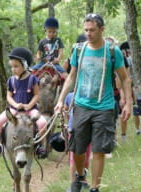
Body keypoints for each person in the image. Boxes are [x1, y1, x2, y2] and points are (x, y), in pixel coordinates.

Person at [54, 13, 131, 192]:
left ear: (102, 30)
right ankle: (80, 177)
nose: (88, 33)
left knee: (98, 150)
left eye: (92, 30)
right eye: (86, 30)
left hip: (104, 107)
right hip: (81, 105)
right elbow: (71, 76)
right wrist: (60, 100)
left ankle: (95, 188)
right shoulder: (79, 50)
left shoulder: (113, 51)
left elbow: (125, 79)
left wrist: (127, 103)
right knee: (78, 149)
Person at [0, 47, 47, 157]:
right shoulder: (11, 80)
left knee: (42, 123)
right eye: (11, 66)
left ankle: (40, 146)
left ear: (25, 65)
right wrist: (16, 104)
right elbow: (9, 96)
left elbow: (36, 95)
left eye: (16, 66)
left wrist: (29, 105)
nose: (13, 69)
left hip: (30, 109)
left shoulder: (33, 79)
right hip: (14, 109)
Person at [64, 92, 91, 192]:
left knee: (86, 158)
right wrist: (68, 124)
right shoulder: (69, 96)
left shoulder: (89, 95)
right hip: (74, 129)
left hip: (87, 129)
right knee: (73, 159)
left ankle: (83, 180)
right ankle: (72, 183)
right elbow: (65, 109)